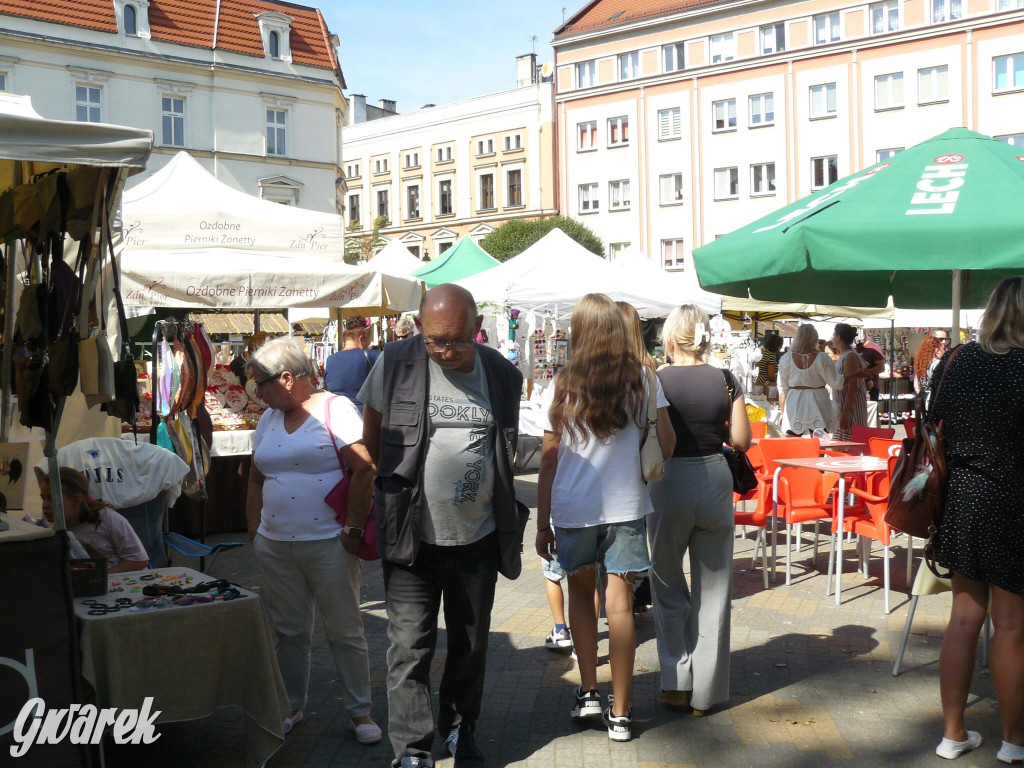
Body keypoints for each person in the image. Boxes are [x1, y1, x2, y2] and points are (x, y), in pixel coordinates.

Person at [360, 283, 526, 768]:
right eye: (436, 341)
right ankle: (412, 750)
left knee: (469, 647)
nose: (447, 351)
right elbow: (372, 438)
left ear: (477, 329)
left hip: (476, 539)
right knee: (409, 648)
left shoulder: (500, 374)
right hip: (412, 539)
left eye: (457, 340)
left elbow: (505, 446)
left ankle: (459, 730)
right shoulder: (394, 364)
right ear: (418, 329)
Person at [535, 293, 675, 743]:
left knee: (580, 598)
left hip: (574, 509)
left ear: (578, 331)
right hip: (627, 507)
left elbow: (548, 461)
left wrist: (541, 523)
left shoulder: (560, 384)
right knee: (620, 606)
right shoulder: (644, 379)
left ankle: (588, 692)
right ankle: (620, 712)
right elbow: (666, 445)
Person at [245, 337, 381, 744]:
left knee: (344, 630)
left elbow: (365, 468)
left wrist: (353, 530)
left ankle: (361, 712)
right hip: (276, 544)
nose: (256, 391)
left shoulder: (333, 408)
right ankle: (290, 704)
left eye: (260, 383)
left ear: (287, 378)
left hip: (329, 542)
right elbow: (255, 477)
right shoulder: (269, 418)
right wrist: (254, 531)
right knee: (289, 631)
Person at [930, 277, 1024, 765]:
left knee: (963, 621)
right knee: (1010, 628)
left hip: (965, 498)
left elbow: (933, 416)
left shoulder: (959, 360)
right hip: (1014, 502)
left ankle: (951, 735)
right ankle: (1013, 743)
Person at [646, 304, 750, 716]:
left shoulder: (655, 379)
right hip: (714, 477)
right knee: (715, 588)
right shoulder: (726, 379)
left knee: (667, 583)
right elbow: (741, 439)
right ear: (704, 338)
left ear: (671, 340)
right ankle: (706, 693)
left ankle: (675, 681)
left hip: (668, 482)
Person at [37, 467, 148, 573]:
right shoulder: (56, 531)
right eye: (43, 498)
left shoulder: (107, 518)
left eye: (51, 499)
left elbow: (138, 560)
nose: (45, 505)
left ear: (76, 500)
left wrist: (102, 576)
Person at [777, 324, 845, 436]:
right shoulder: (822, 358)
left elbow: (782, 389)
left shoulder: (786, 358)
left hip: (795, 401)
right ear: (814, 338)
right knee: (819, 440)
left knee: (793, 441)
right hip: (818, 400)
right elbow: (835, 383)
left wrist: (782, 412)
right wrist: (853, 375)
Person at [324, 315, 381, 414]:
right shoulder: (372, 356)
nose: (370, 343)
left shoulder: (330, 360)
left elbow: (326, 390)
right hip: (363, 419)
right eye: (369, 340)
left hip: (336, 417)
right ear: (361, 339)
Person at [831, 323, 868, 440]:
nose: (832, 338)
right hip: (845, 407)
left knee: (847, 447)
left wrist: (845, 414)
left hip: (850, 411)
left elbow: (853, 388)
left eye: (833, 335)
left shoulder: (850, 356)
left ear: (839, 338)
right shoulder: (847, 355)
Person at [914, 328, 951, 407]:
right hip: (931, 401)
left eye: (946, 339)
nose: (944, 342)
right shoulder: (936, 363)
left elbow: (916, 386)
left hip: (922, 399)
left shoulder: (923, 361)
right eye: (941, 339)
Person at [855, 333, 887, 401]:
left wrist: (865, 374)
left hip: (871, 387)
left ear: (862, 335)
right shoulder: (851, 347)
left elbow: (881, 367)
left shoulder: (873, 347)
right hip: (855, 386)